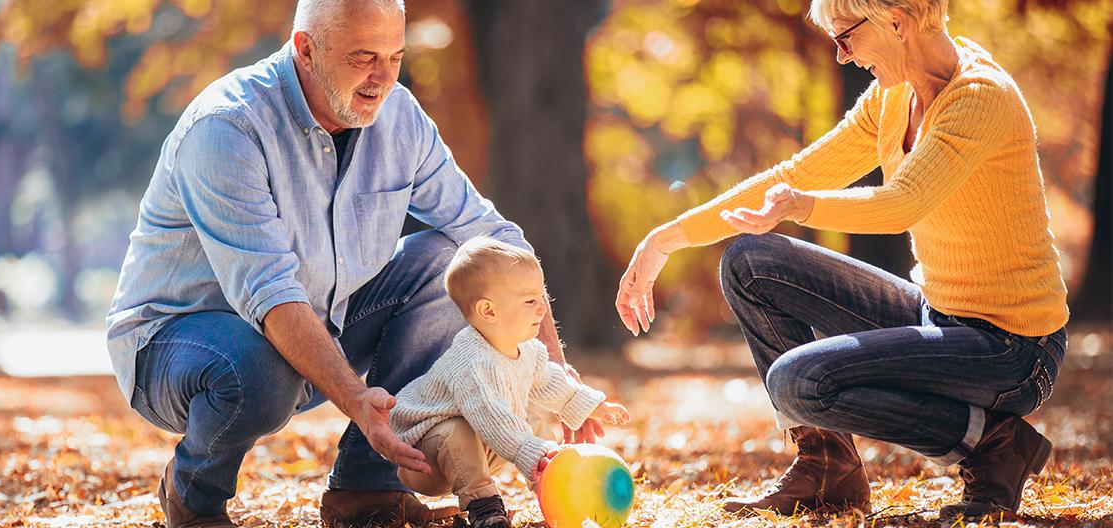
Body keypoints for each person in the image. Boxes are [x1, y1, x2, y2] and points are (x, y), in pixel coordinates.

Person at [105, 1, 601, 526]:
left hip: (318, 323)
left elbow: (492, 236)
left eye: (395, 57)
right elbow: (270, 295)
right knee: (258, 368)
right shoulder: (228, 128)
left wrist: (549, 363)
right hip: (177, 344)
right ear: (306, 50)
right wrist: (358, 400)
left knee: (451, 262)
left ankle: (366, 490)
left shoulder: (401, 117)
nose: (382, 79)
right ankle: (193, 496)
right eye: (363, 57)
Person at [614, 0, 1067, 521]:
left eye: (846, 37)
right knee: (749, 261)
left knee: (796, 383)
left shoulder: (980, 97)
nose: (843, 56)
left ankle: (994, 445)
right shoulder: (894, 96)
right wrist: (666, 238)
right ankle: (830, 468)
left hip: (1014, 350)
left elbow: (904, 201)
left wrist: (802, 206)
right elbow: (797, 172)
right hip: (939, 315)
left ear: (896, 21)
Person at [390, 238, 631, 528]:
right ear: (488, 311)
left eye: (541, 297)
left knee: (534, 423)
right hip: (424, 458)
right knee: (458, 431)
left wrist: (588, 403)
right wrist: (536, 451)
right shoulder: (469, 361)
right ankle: (484, 507)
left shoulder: (527, 349)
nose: (542, 309)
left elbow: (549, 382)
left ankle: (557, 486)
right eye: (530, 301)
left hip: (480, 447)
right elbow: (493, 419)